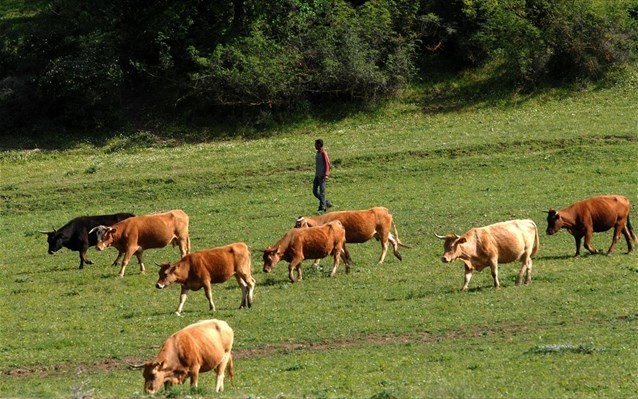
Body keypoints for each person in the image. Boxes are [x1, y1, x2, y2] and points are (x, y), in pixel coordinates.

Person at [313, 139, 333, 213]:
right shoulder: (318, 153)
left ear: (319, 144)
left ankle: (322, 208)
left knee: (322, 192)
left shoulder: (323, 153)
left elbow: (327, 164)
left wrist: (326, 174)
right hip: (317, 175)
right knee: (314, 191)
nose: (314, 145)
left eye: (315, 144)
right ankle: (326, 202)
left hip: (322, 176)